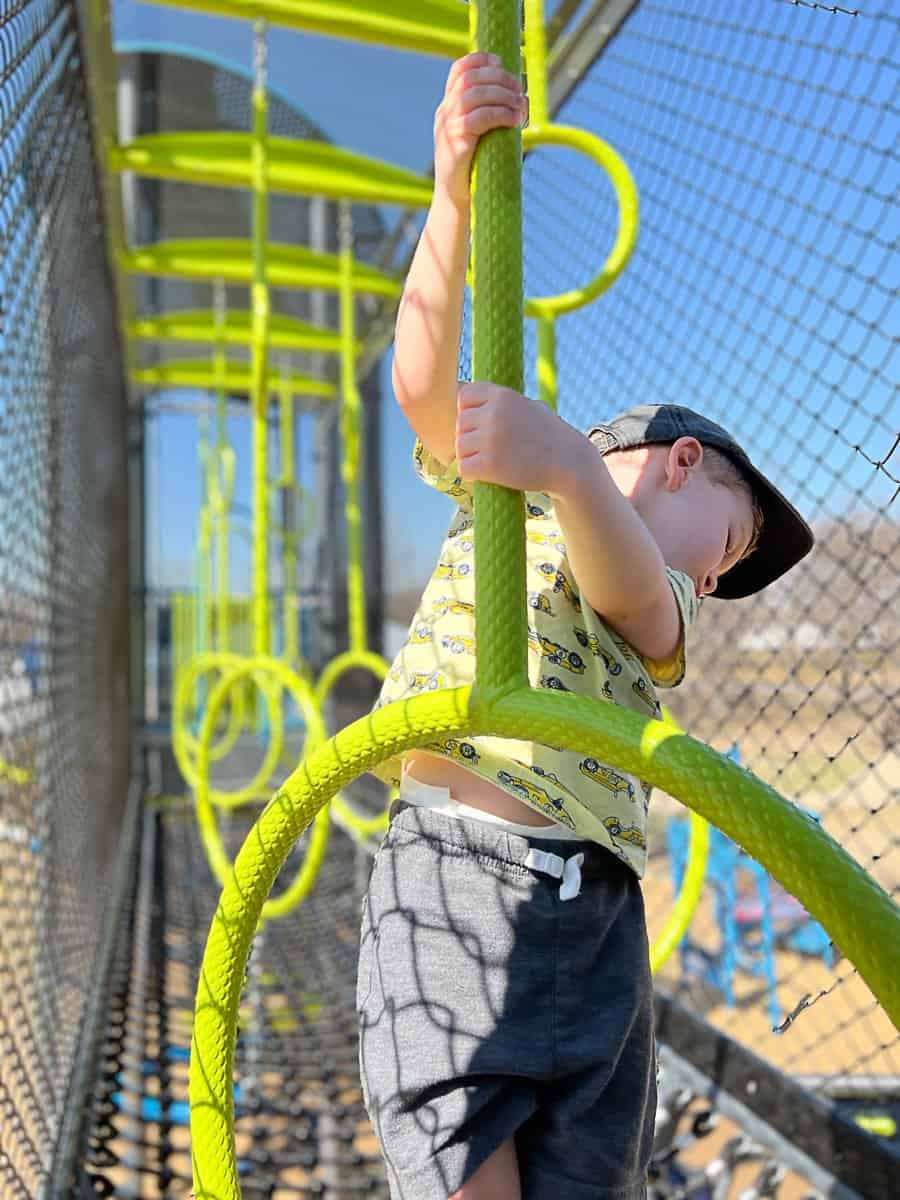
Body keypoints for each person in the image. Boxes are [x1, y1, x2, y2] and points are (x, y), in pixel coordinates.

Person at [357, 53, 814, 1200]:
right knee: (458, 1157)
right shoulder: (502, 508)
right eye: (733, 544)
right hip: (448, 880)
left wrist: (568, 466)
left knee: (590, 1170)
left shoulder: (645, 589)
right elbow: (419, 382)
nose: (717, 579)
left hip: (598, 919)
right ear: (685, 462)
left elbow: (634, 598)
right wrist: (452, 193)